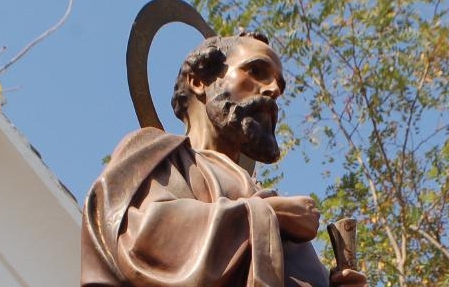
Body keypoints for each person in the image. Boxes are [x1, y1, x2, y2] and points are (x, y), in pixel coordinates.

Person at [81, 32, 368, 286]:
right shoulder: (156, 154)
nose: (273, 90)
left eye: (278, 86)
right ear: (198, 81)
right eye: (255, 71)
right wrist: (269, 215)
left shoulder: (254, 191)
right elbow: (139, 234)